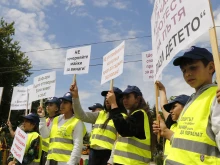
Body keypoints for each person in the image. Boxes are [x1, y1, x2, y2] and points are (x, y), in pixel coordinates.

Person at [153, 46, 220, 164]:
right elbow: (185, 142)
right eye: (184, 70)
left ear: (210, 67)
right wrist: (165, 131)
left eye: (193, 67)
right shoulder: (191, 101)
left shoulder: (216, 97)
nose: (187, 74)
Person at [70, 82, 127, 165]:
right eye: (106, 96)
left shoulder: (122, 117)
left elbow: (119, 141)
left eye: (111, 96)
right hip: (93, 154)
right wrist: (75, 96)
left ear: (118, 99)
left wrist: (111, 160)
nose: (107, 98)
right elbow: (80, 115)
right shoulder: (100, 114)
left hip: (108, 155)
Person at [106, 85, 155, 165]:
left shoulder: (140, 114)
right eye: (123, 98)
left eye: (128, 97)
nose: (124, 100)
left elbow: (124, 130)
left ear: (137, 99)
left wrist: (114, 105)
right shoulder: (134, 116)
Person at [38, 92, 86, 165]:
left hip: (65, 162)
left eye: (65, 103)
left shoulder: (77, 122)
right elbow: (45, 135)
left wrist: (71, 163)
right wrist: (42, 118)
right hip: (51, 160)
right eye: (62, 102)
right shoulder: (56, 119)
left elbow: (78, 146)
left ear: (72, 105)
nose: (62, 105)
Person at [156, 81, 190, 158]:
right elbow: (163, 106)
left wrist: (166, 132)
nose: (170, 111)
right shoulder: (172, 123)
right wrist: (162, 90)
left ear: (186, 107)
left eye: (174, 107)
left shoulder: (193, 125)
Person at [38, 97, 61, 165]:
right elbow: (44, 135)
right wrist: (42, 117)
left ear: (56, 108)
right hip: (44, 152)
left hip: (54, 153)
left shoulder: (60, 120)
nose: (47, 106)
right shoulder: (46, 119)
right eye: (47, 104)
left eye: (51, 105)